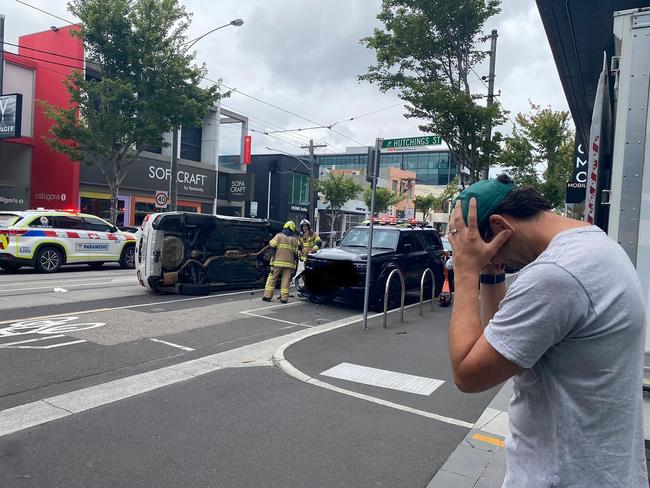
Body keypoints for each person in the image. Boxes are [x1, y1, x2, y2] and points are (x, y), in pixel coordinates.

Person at [447, 174, 647, 487]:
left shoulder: (555, 276)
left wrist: (465, 271)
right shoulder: (595, 244)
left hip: (561, 476)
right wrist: (490, 274)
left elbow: (468, 374)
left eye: (488, 252)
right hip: (602, 471)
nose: (490, 259)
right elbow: (502, 343)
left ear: (500, 228)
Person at [263, 220, 300, 304]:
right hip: (289, 264)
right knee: (286, 281)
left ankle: (267, 296)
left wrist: (271, 260)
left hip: (278, 263)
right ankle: (284, 298)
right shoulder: (294, 240)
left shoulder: (279, 236)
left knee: (272, 279)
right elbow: (296, 254)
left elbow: (272, 246)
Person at [294, 219, 322, 293]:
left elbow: (319, 243)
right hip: (303, 259)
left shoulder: (313, 234)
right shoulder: (300, 236)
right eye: (303, 226)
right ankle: (306, 287)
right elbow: (299, 246)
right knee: (303, 275)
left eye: (306, 226)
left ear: (308, 226)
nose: (305, 228)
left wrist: (313, 250)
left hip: (311, 258)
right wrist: (299, 252)